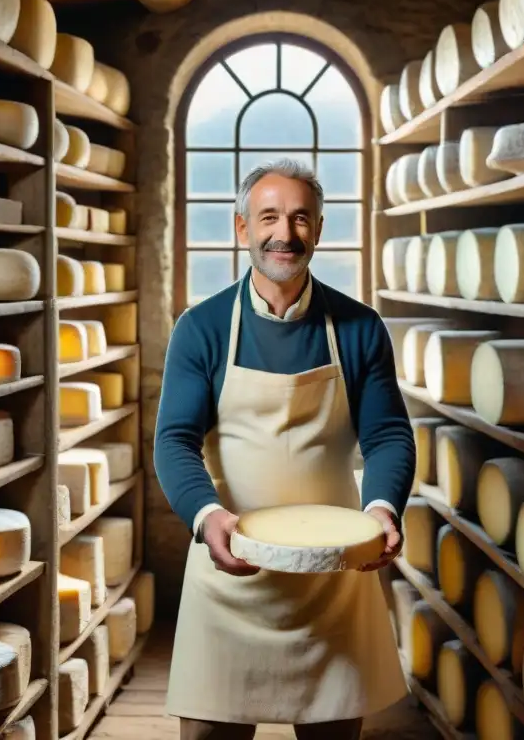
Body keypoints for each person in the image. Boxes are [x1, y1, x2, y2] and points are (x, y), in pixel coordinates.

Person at [154, 159, 417, 740]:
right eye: (269, 217)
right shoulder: (201, 328)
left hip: (334, 576)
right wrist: (206, 515)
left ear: (318, 230)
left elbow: (387, 435)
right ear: (242, 228)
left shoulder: (358, 327)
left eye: (301, 219)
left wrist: (382, 509)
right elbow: (174, 441)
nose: (285, 234)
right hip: (231, 569)